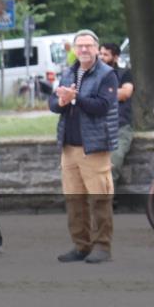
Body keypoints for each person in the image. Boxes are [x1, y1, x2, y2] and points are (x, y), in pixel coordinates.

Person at [48, 29, 119, 265]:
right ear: (75, 49)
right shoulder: (69, 72)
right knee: (74, 199)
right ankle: (81, 245)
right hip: (69, 147)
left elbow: (102, 105)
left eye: (88, 46)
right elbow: (52, 103)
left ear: (97, 49)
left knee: (100, 199)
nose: (84, 50)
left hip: (95, 146)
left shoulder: (106, 74)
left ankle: (102, 246)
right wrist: (61, 100)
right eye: (80, 46)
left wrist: (75, 98)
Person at [100, 42, 135, 185]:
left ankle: (106, 200)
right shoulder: (92, 75)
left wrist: (99, 95)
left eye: (105, 54)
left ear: (115, 57)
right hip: (97, 128)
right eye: (100, 53)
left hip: (120, 127)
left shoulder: (124, 73)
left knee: (113, 162)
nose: (101, 57)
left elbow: (126, 93)